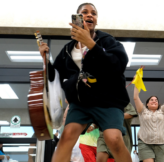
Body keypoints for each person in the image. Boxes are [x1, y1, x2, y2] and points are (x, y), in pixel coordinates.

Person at [39, 3, 131, 162]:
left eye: (93, 13)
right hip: (81, 102)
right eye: (84, 13)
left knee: (113, 139)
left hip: (108, 100)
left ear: (96, 20)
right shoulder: (68, 49)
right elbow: (56, 76)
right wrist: (45, 60)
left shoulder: (107, 41)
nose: (90, 15)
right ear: (77, 18)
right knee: (66, 136)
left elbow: (118, 65)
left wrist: (91, 44)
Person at [133, 73, 164, 162]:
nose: (154, 101)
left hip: (161, 145)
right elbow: (136, 97)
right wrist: (137, 82)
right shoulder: (143, 110)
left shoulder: (162, 110)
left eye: (156, 100)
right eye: (151, 100)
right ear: (147, 104)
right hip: (145, 144)